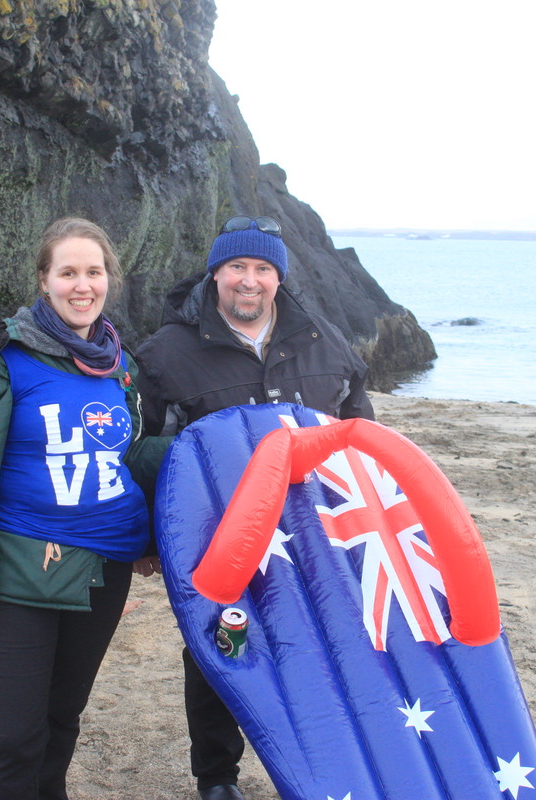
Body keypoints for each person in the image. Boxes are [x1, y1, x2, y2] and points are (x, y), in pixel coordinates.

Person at [134, 215, 374, 800]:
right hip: (216, 535)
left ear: (279, 277)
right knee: (218, 651)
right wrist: (148, 540)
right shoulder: (166, 353)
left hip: (315, 535)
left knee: (323, 646)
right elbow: (140, 451)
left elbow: (360, 433)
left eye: (263, 268)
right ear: (215, 273)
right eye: (237, 267)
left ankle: (325, 769)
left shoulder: (324, 339)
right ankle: (217, 779)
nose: (250, 280)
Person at [0, 218, 162, 800]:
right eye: (68, 272)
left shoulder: (117, 362)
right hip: (18, 569)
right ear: (44, 280)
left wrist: (144, 541)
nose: (81, 285)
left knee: (62, 719)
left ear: (108, 279)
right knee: (14, 735)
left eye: (93, 272)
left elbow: (124, 458)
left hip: (103, 569)